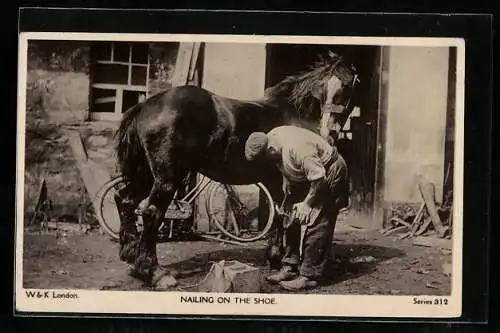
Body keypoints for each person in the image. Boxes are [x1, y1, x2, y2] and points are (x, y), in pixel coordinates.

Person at [244, 125, 349, 291]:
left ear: (270, 149)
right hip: (306, 173)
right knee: (289, 215)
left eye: (267, 159)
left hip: (328, 172)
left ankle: (310, 275)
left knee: (317, 219)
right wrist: (287, 178)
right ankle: (290, 266)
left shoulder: (298, 148)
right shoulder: (270, 138)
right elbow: (280, 160)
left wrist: (307, 204)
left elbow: (319, 180)